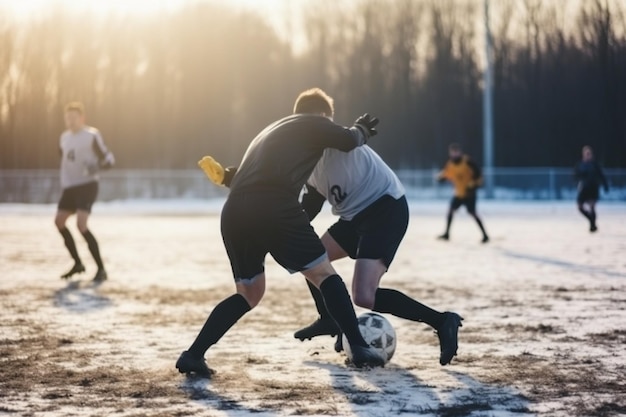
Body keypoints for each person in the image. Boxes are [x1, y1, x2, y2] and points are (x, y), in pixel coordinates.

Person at [176, 88, 385, 378]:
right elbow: (348, 140)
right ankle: (360, 347)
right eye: (329, 119)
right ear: (322, 114)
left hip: (234, 210)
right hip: (273, 206)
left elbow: (248, 175)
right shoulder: (315, 123)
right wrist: (361, 129)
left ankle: (193, 354)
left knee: (249, 292)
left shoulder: (270, 130)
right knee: (324, 273)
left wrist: (225, 175)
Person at [293, 144, 464, 366]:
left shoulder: (340, 140)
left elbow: (350, 136)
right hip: (353, 218)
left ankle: (442, 321)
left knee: (364, 296)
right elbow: (307, 210)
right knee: (311, 258)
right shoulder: (309, 165)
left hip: (384, 210)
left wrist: (361, 130)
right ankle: (329, 320)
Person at [55, 102, 115, 282]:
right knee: (59, 222)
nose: (70, 121)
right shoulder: (64, 137)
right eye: (68, 118)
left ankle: (101, 269)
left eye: (74, 117)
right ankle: (78, 263)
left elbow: (109, 160)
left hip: (87, 185)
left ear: (82, 118)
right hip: (70, 187)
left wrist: (96, 166)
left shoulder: (91, 136)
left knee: (81, 225)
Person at [437, 143, 489, 243]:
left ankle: (485, 235)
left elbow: (479, 175)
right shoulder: (451, 164)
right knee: (450, 210)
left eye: (456, 152)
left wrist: (473, 185)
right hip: (459, 194)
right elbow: (446, 174)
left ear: (460, 152)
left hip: (469, 193)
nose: (455, 154)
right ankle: (447, 234)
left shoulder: (467, 161)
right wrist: (441, 178)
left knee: (472, 213)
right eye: (453, 152)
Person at [574, 146, 609, 232]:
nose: (588, 155)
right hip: (584, 188)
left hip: (593, 188)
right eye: (586, 154)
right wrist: (580, 179)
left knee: (592, 206)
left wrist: (605, 186)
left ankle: (592, 226)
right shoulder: (580, 165)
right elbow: (575, 176)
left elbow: (601, 175)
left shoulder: (595, 165)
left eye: (589, 154)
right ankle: (591, 220)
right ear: (583, 154)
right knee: (580, 207)